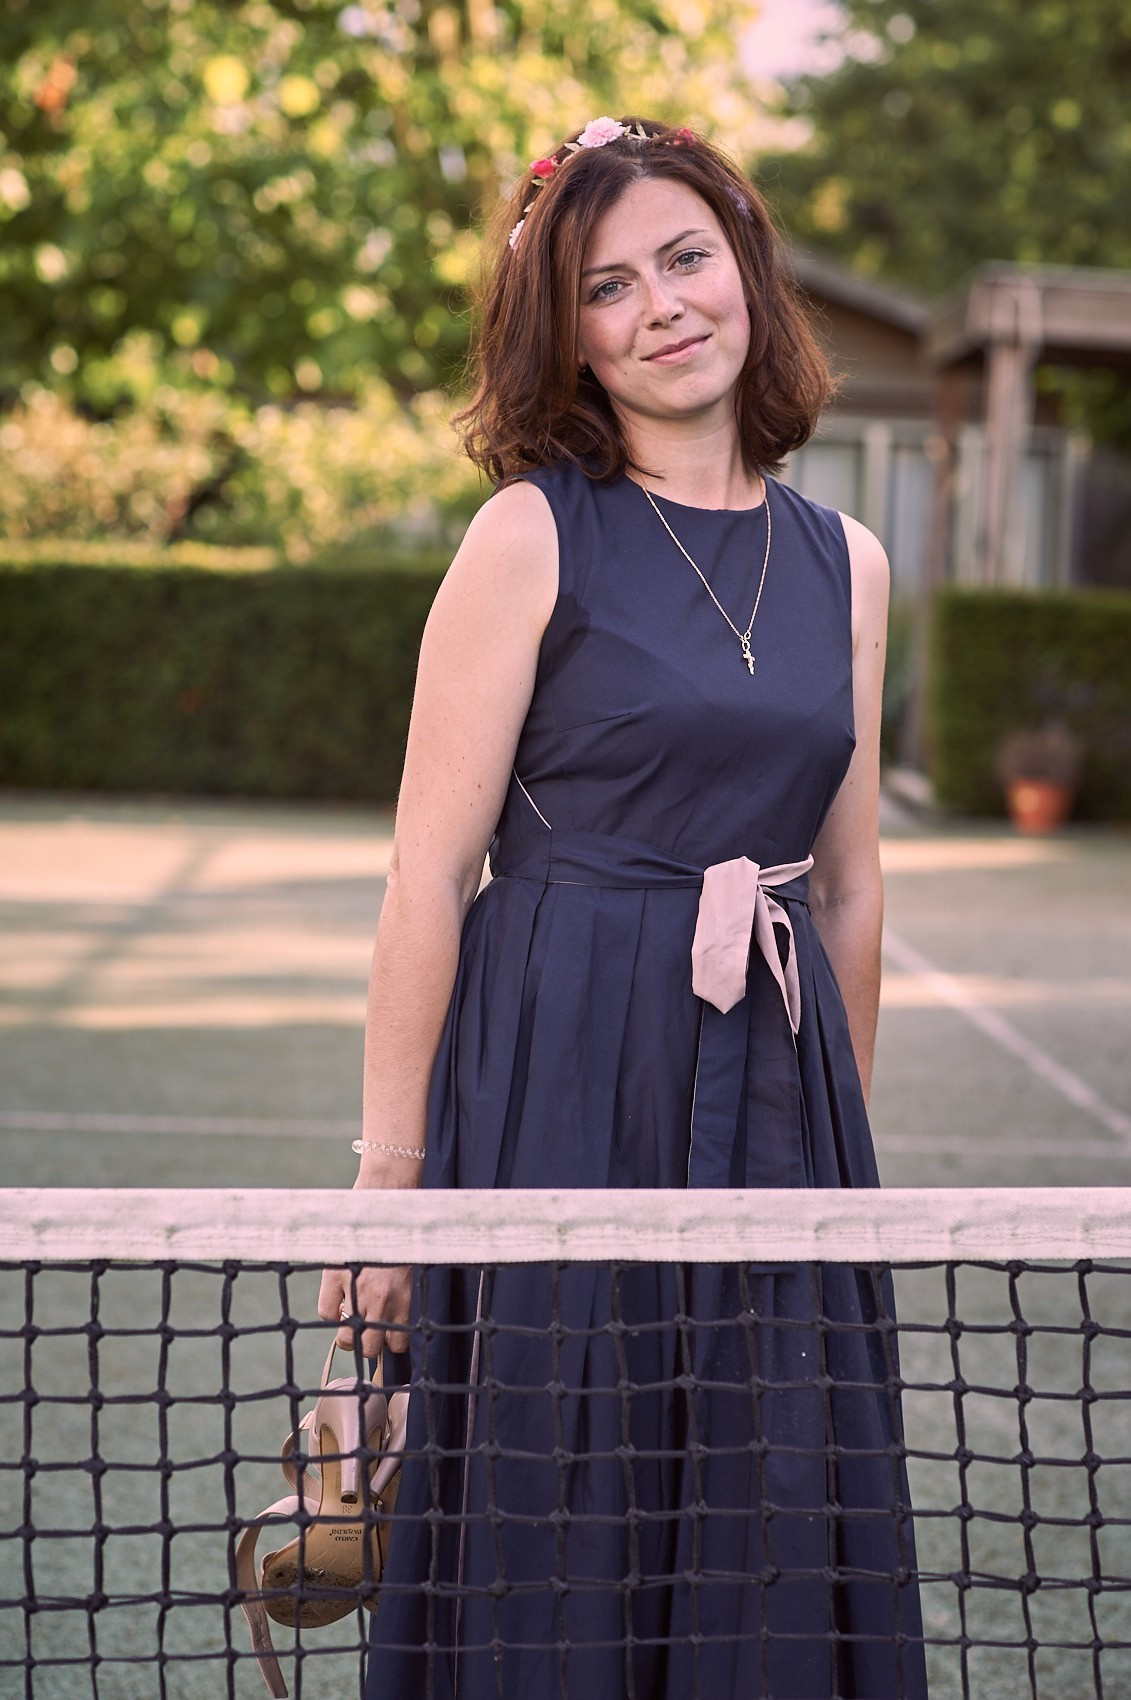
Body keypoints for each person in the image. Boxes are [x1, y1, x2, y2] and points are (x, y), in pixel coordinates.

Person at [318, 115, 927, 1700]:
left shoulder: (851, 562)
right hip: (562, 1079)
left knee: (767, 1504)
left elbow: (850, 884)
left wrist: (834, 1158)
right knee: (562, 1507)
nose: (661, 306)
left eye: (684, 258)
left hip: (779, 1111)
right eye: (607, 286)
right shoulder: (530, 533)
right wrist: (389, 1196)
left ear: (745, 269)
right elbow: (427, 876)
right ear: (570, 335)